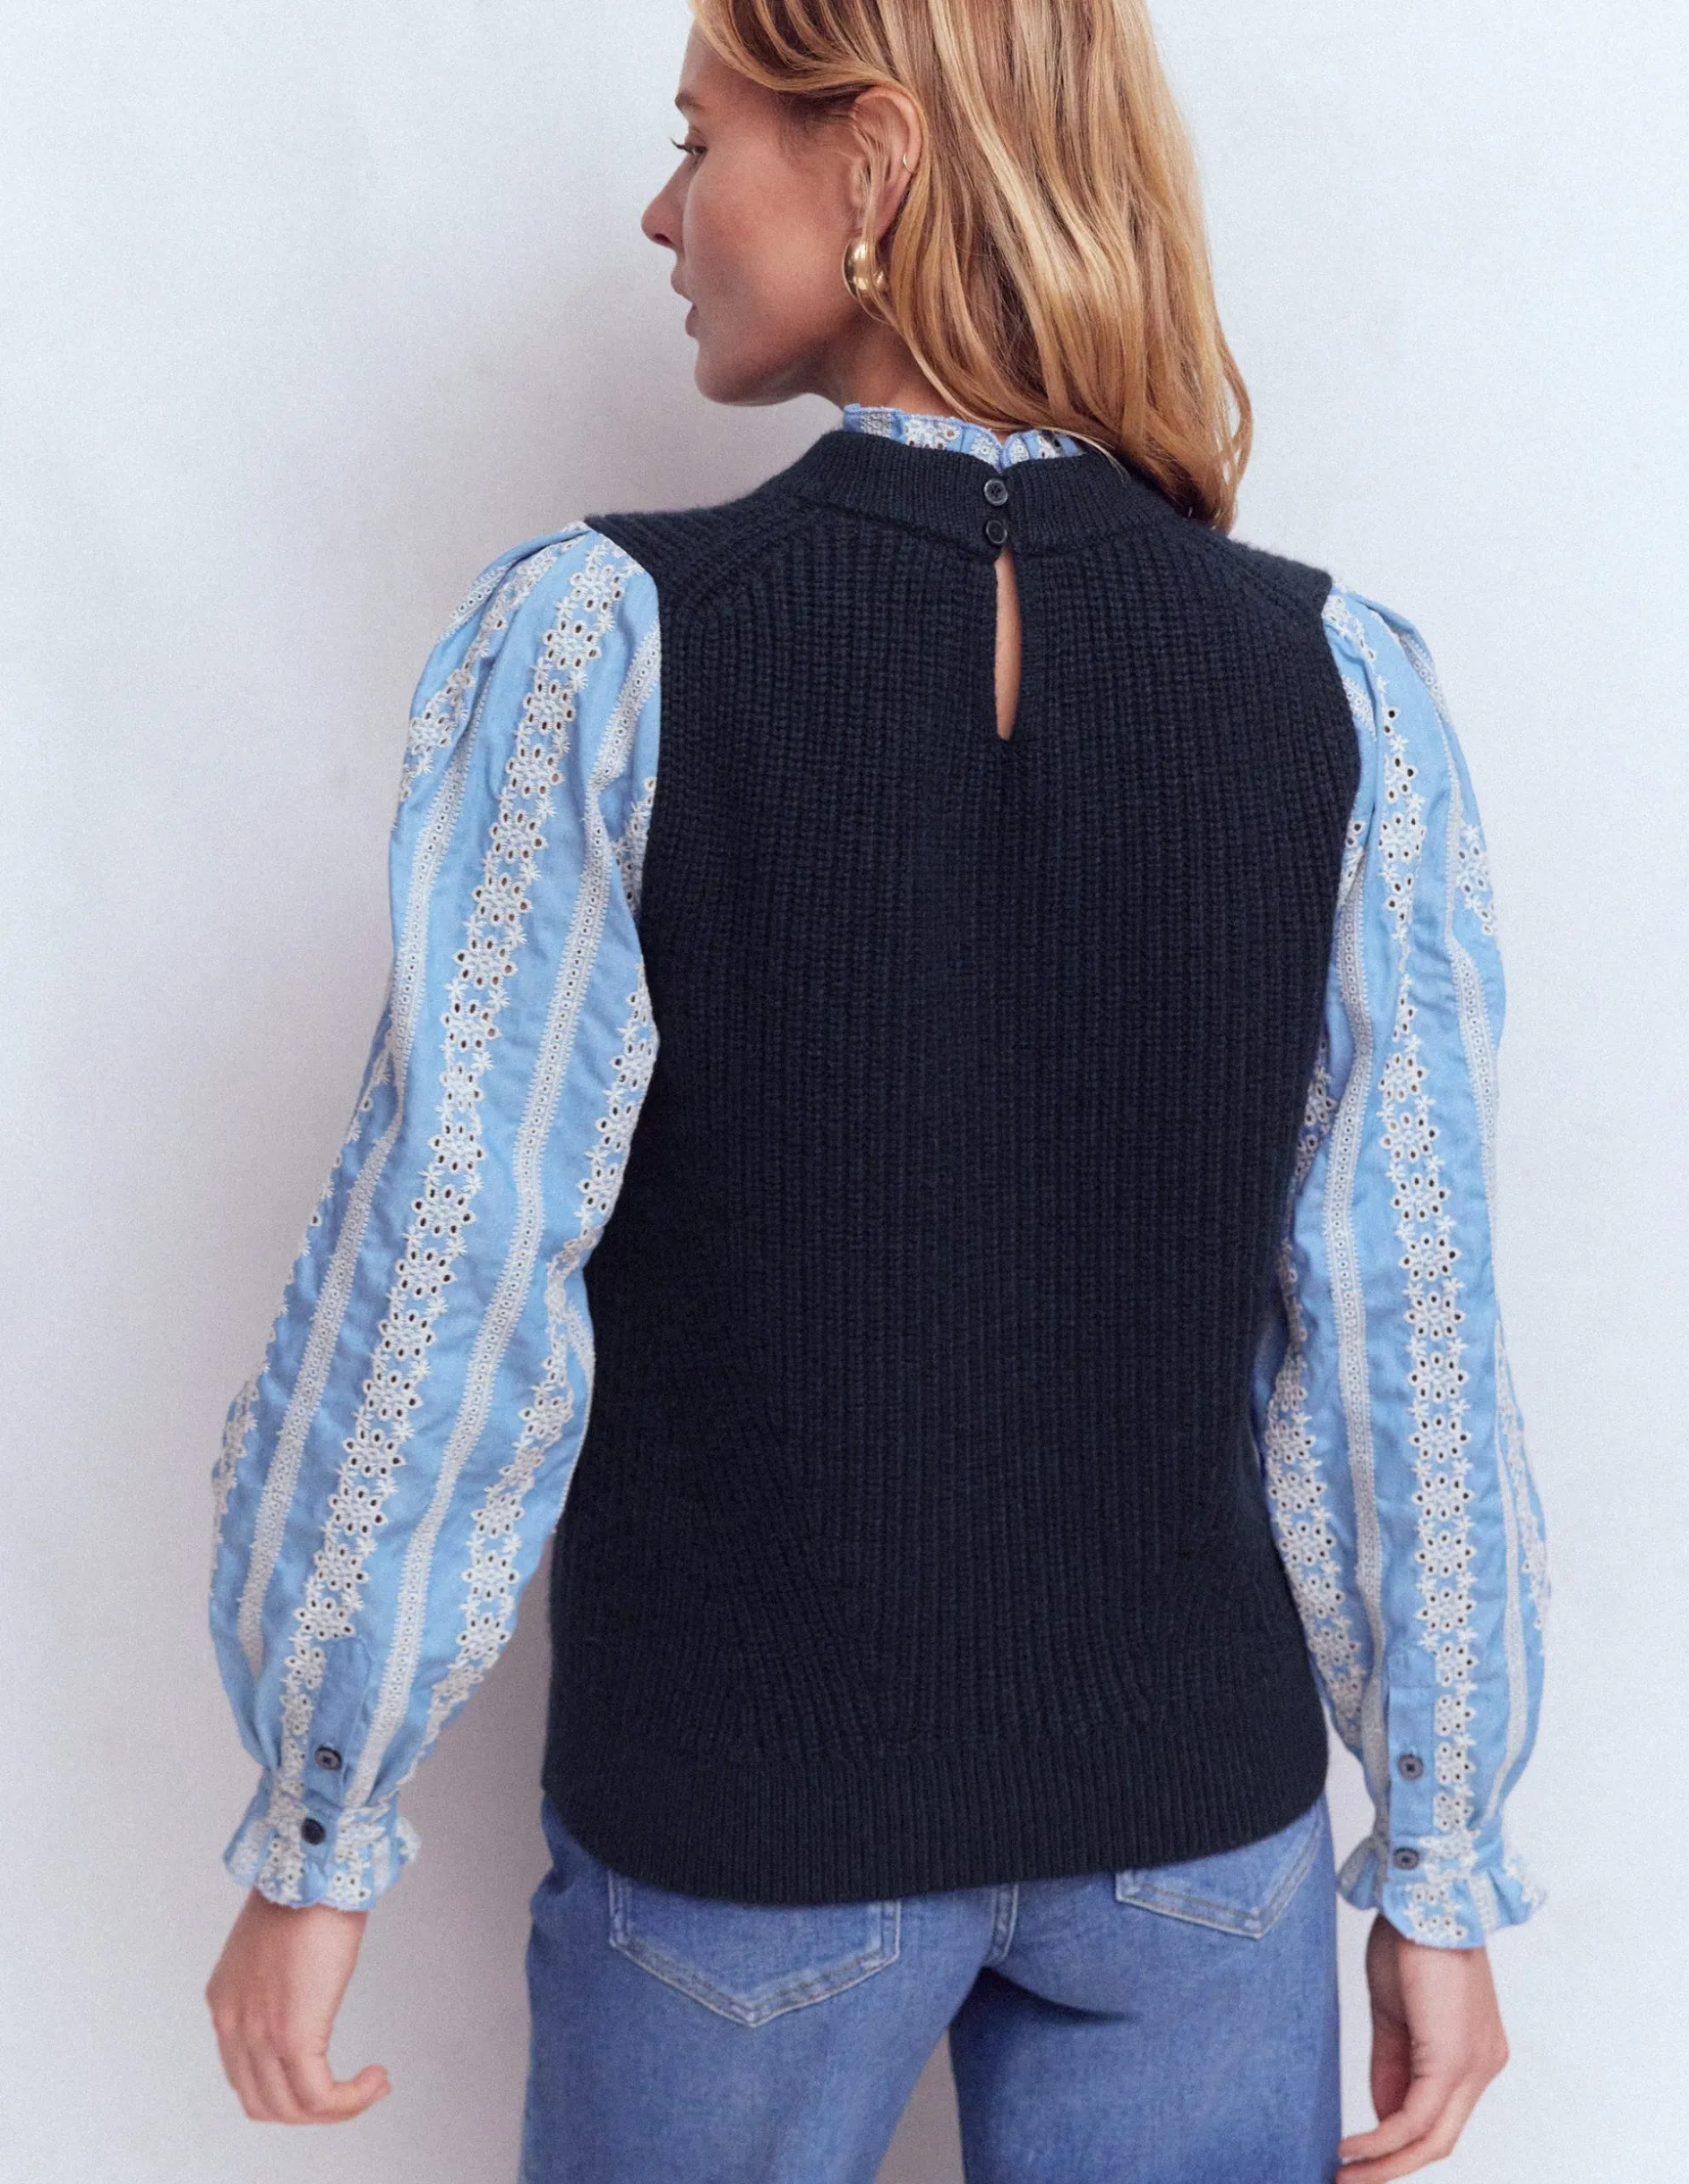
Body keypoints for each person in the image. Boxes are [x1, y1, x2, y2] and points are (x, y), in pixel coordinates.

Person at [203, 3, 1548, 2179]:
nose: (664, 213)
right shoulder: (1330, 686)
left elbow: (454, 1271)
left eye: (701, 137)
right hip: (1201, 1856)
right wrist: (1442, 1865)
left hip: (746, 1836)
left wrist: (316, 1818)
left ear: (879, 158)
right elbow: (1407, 1333)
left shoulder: (620, 647)